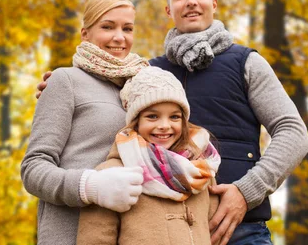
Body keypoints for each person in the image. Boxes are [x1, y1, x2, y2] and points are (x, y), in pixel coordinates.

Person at [36, 0, 308, 245]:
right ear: (169, 10)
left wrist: (245, 192)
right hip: (168, 232)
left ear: (213, 4)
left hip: (242, 228)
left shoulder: (246, 63)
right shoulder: (146, 72)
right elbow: (100, 84)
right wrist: (59, 82)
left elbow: (293, 133)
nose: (190, 1)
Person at [20, 0, 150, 245]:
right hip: (71, 234)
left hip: (132, 233)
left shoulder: (143, 86)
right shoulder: (65, 81)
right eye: (107, 27)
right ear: (85, 34)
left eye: (128, 28)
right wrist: (90, 186)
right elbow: (33, 168)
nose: (119, 37)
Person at [76, 66, 221, 245]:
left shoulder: (201, 170)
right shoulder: (111, 174)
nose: (164, 125)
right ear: (136, 122)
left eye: (174, 117)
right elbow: (95, 239)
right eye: (152, 116)